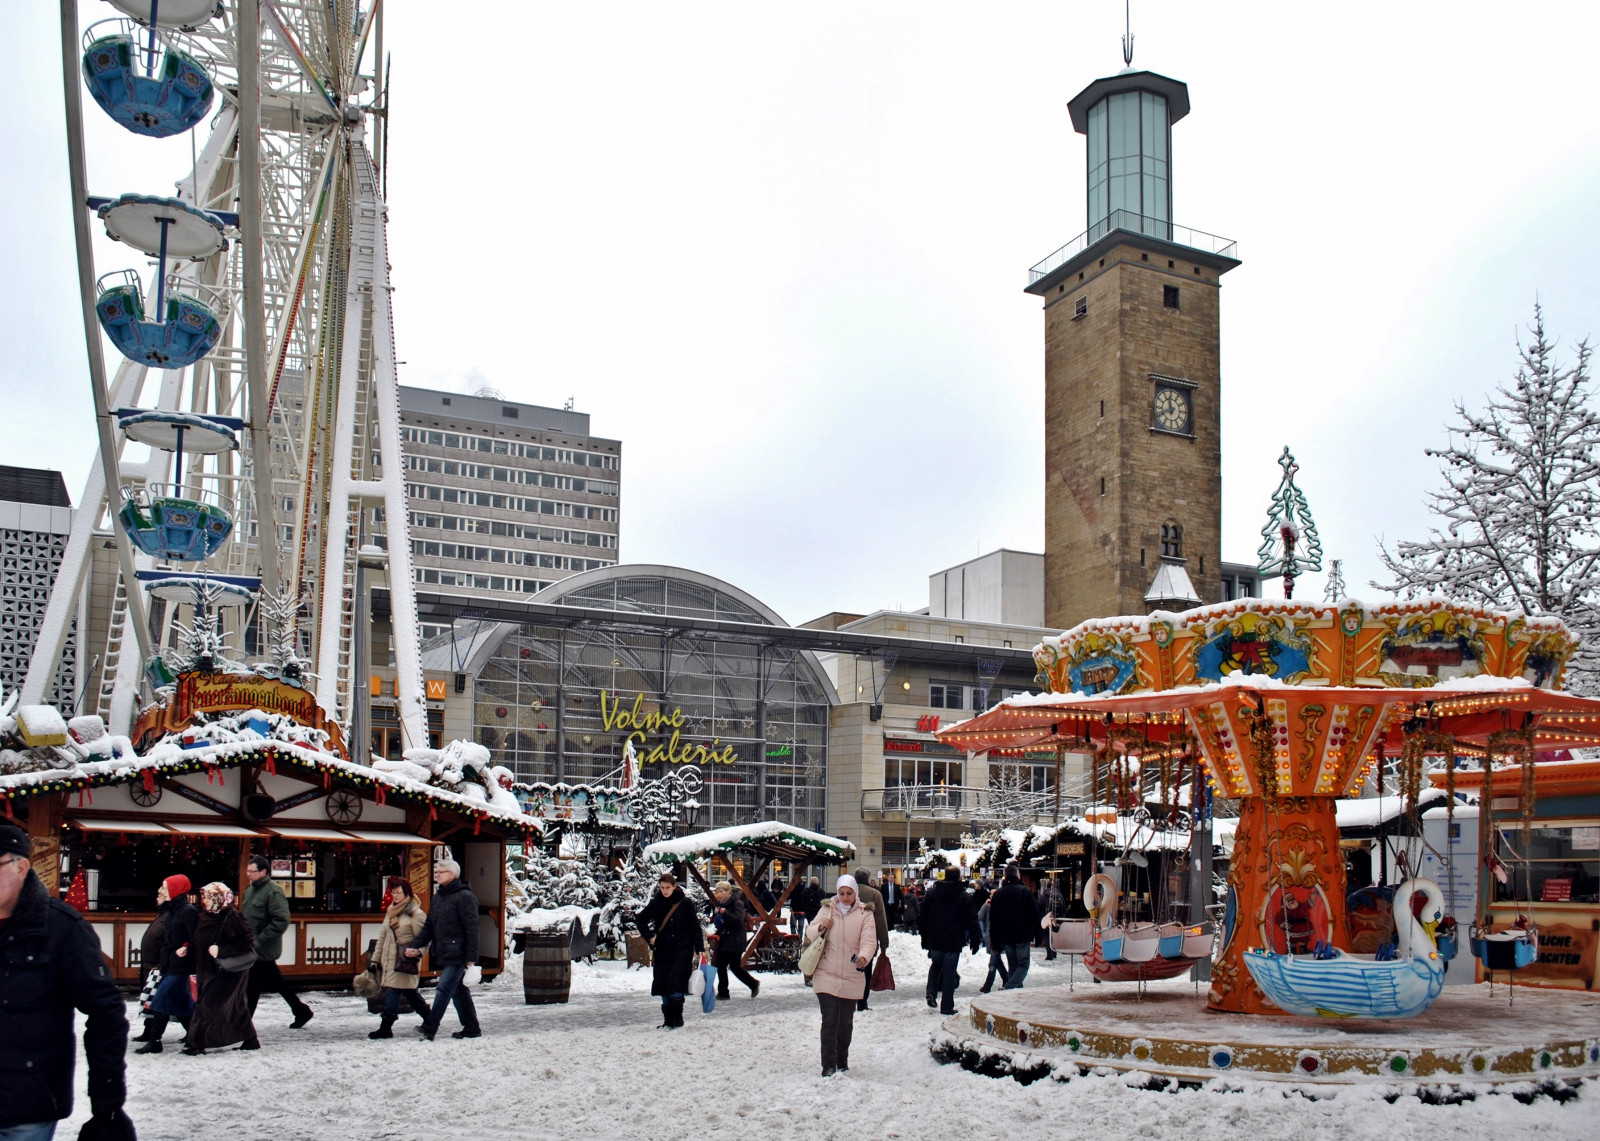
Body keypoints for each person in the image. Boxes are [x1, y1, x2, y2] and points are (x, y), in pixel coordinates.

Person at [0, 823, 131, 1140]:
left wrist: (107, 1099)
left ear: (21, 867)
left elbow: (106, 1013)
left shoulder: (62, 928)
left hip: (25, 1104)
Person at [803, 873, 877, 1077]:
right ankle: (828, 1065)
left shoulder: (865, 913)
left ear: (855, 893)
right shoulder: (827, 909)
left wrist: (864, 956)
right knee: (829, 1020)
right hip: (826, 972)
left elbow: (869, 940)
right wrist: (821, 927)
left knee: (845, 1022)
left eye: (849, 893)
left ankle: (841, 1060)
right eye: (842, 893)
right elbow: (810, 931)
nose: (845, 897)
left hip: (851, 973)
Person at [404, 858, 482, 1040]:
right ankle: (472, 1027)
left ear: (452, 875)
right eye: (436, 871)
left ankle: (429, 1028)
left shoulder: (465, 897)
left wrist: (472, 956)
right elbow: (429, 926)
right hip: (445, 951)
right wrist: (415, 945)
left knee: (444, 988)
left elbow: (473, 928)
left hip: (458, 953)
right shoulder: (438, 897)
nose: (436, 874)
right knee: (458, 991)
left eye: (440, 872)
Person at [184, 882, 258, 1054]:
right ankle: (250, 1039)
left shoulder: (233, 917)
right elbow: (200, 938)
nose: (205, 901)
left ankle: (197, 1044)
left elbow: (246, 943)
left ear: (219, 898)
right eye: (205, 897)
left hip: (227, 970)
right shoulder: (207, 916)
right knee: (236, 1006)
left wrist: (222, 950)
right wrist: (188, 949)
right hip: (207, 968)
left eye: (209, 898)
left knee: (207, 1005)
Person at [241, 855, 314, 1029]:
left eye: (252, 871)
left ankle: (243, 1026)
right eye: (247, 871)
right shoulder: (249, 891)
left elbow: (281, 920)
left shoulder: (273, 891)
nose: (248, 874)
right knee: (277, 982)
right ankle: (301, 1010)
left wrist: (260, 941)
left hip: (263, 949)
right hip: (251, 946)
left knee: (252, 987)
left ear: (263, 872)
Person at [633, 871, 705, 1029]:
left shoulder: (685, 903)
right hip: (663, 949)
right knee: (663, 984)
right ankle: (668, 1020)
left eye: (667, 887)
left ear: (674, 886)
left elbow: (695, 926)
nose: (665, 891)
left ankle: (677, 1019)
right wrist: (650, 938)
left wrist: (699, 947)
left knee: (677, 983)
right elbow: (641, 920)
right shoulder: (656, 902)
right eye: (662, 887)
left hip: (682, 949)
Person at [137, 873, 198, 1053]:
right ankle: (196, 1039)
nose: (161, 890)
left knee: (160, 999)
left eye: (165, 887)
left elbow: (195, 938)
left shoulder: (188, 911)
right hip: (169, 963)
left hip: (181, 965)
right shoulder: (172, 911)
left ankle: (155, 1041)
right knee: (182, 1005)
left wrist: (186, 948)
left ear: (175, 889)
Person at [369, 877, 431, 1038]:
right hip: (391, 961)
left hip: (405, 960)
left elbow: (425, 938)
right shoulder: (391, 911)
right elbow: (383, 938)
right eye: (393, 892)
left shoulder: (415, 914)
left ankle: (386, 1027)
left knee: (393, 992)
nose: (395, 896)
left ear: (407, 893)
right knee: (410, 994)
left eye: (398, 892)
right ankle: (430, 1018)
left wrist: (418, 952)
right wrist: (375, 959)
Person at [920, 869, 980, 1016]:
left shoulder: (932, 894)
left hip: (935, 937)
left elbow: (923, 917)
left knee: (936, 964)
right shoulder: (963, 895)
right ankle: (946, 1006)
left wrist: (924, 938)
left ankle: (931, 992)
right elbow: (972, 919)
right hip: (954, 939)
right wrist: (975, 939)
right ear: (958, 877)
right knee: (949, 972)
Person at [988, 863, 1041, 990]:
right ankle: (1009, 987)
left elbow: (993, 920)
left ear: (1005, 876)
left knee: (1012, 966)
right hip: (1023, 934)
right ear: (1018, 876)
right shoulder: (1025, 891)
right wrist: (1039, 934)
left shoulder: (998, 894)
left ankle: (1014, 993)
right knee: (1023, 965)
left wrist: (995, 941)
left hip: (1006, 935)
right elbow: (1035, 914)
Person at [708, 882, 760, 1000]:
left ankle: (753, 983)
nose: (719, 894)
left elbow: (738, 920)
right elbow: (720, 921)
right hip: (725, 939)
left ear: (728, 892)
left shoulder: (737, 903)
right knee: (720, 965)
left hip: (736, 939)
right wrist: (716, 915)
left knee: (735, 966)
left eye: (722, 892)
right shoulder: (721, 905)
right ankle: (723, 992)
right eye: (718, 892)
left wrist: (725, 913)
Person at [129, 892, 167, 1047]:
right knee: (151, 1001)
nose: (157, 898)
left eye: (161, 895)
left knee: (161, 1002)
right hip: (150, 966)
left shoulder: (168, 917)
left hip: (157, 966)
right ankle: (149, 1030)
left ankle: (192, 1034)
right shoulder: (162, 916)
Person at [851, 867, 889, 1011]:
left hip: (849, 939)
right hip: (868, 940)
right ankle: (862, 1003)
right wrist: (884, 942)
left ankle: (849, 1000)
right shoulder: (875, 894)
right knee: (866, 972)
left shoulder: (848, 893)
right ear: (868, 878)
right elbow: (880, 920)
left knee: (850, 969)